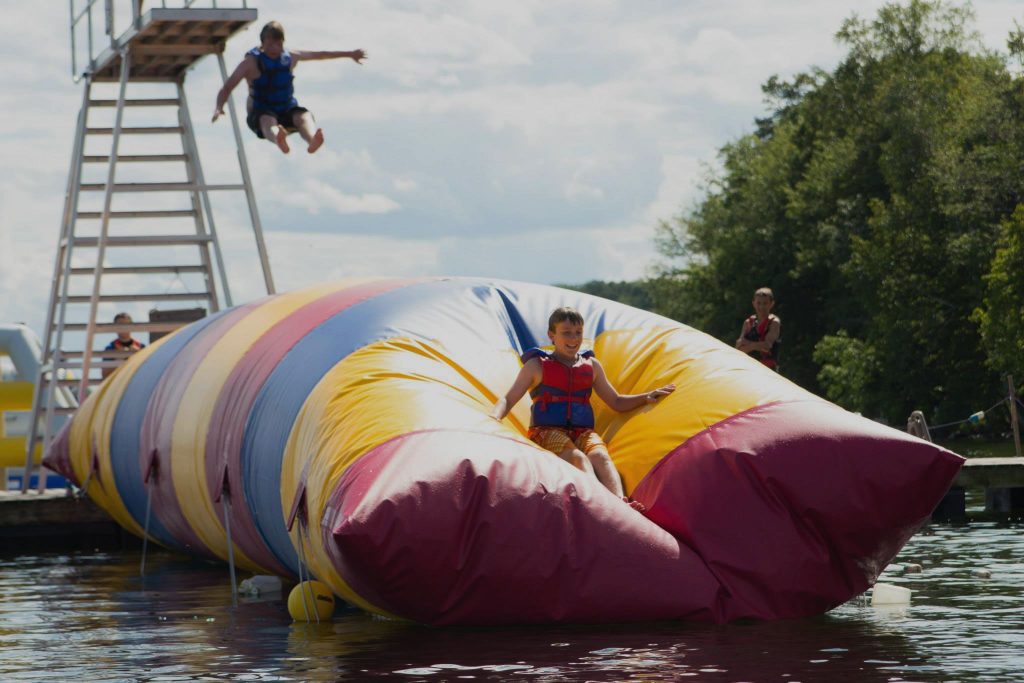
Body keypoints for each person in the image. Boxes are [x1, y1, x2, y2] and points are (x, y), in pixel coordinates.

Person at [490, 307, 675, 512]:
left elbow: (616, 401)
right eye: (566, 332)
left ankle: (621, 502)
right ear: (552, 335)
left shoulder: (591, 366)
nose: (573, 338)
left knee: (601, 457)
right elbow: (508, 399)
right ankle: (602, 504)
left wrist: (646, 397)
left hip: (582, 432)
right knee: (578, 457)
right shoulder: (537, 366)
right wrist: (493, 418)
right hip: (546, 432)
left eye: (578, 333)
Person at [212, 21, 365, 154]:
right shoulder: (251, 63)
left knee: (303, 116)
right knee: (267, 120)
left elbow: (321, 54)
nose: (273, 48)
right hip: (261, 113)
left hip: (286, 110)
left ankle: (312, 140)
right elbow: (228, 86)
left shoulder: (291, 57)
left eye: (278, 44)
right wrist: (219, 106)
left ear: (283, 43)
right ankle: (279, 139)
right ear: (262, 43)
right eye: (269, 44)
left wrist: (350, 54)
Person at [736, 287, 781, 370]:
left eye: (765, 303)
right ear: (753, 303)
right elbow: (739, 347)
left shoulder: (774, 322)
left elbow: (767, 346)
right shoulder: (748, 322)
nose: (761, 306)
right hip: (749, 367)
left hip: (768, 369)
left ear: (771, 304)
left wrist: (748, 344)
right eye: (759, 303)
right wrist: (757, 346)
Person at [101, 312, 146, 379]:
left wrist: (138, 356)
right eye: (120, 324)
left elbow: (147, 371)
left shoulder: (141, 347)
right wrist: (119, 359)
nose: (124, 327)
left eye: (127, 324)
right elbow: (105, 375)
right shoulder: (110, 348)